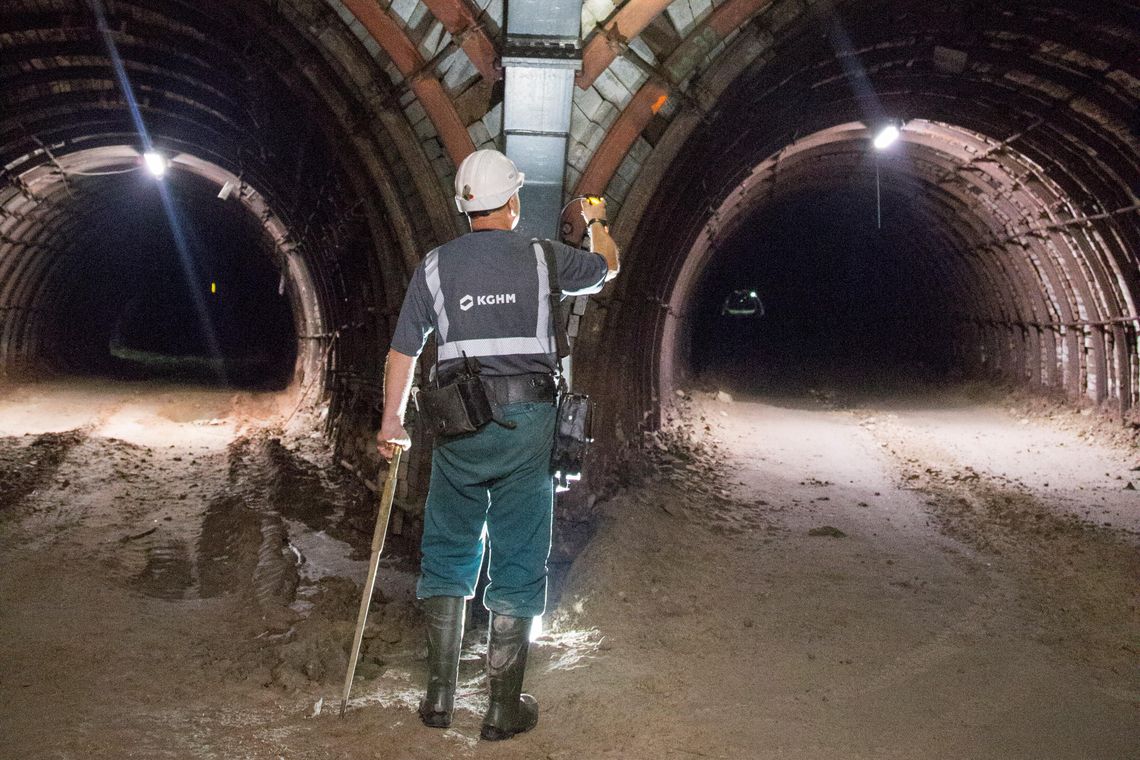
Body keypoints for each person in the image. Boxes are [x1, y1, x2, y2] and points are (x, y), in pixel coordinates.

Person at [376, 149, 620, 741]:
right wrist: (595, 220)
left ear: (465, 208)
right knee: (519, 553)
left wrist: (391, 422)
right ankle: (501, 709)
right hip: (529, 425)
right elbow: (606, 268)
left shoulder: (434, 266)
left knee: (448, 547)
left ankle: (438, 699)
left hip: (457, 425)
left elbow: (403, 351)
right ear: (512, 202)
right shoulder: (542, 256)